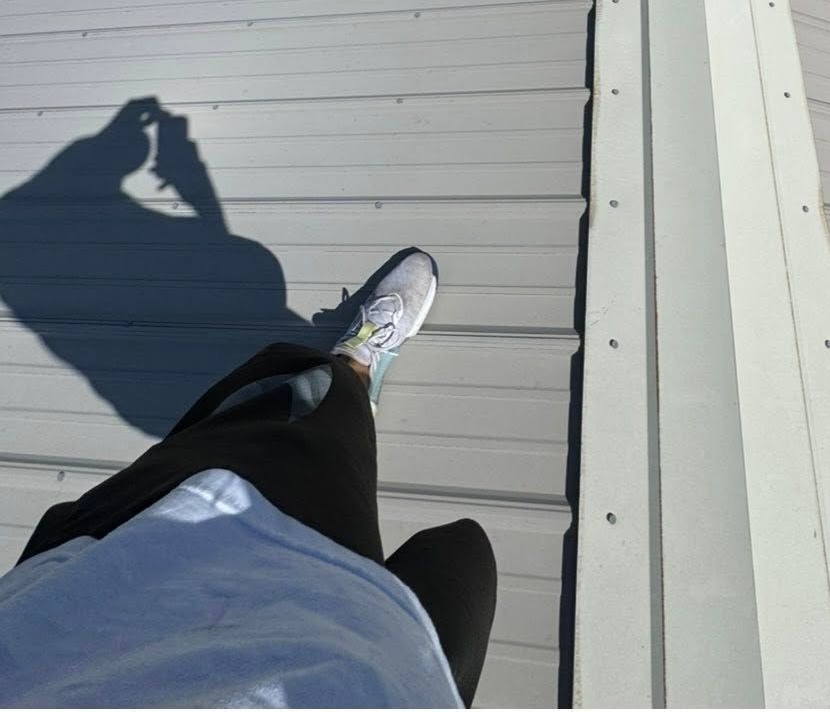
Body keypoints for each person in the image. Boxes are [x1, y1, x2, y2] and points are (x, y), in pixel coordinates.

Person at [0, 248, 497, 708]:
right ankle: (355, 370)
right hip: (235, 569)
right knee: (322, 413)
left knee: (255, 414)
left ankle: (349, 378)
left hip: (85, 578)